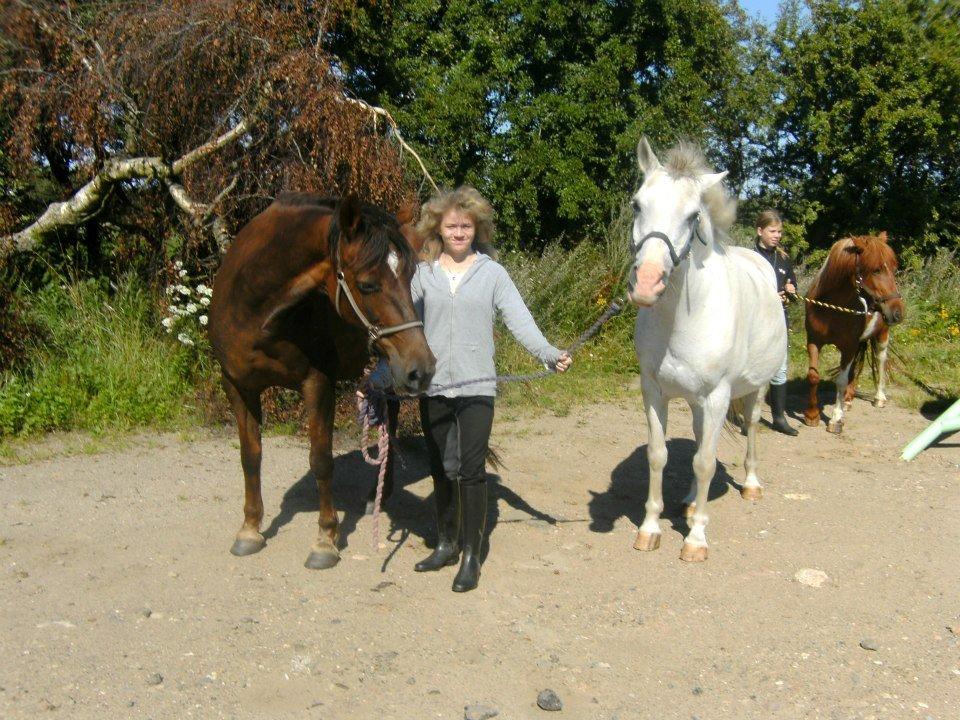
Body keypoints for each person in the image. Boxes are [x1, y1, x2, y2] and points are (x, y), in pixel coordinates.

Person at [410, 186, 572, 592]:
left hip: (477, 386)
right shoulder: (423, 273)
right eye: (452, 226)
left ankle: (470, 554)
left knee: (470, 469)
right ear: (439, 228)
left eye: (466, 226)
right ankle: (446, 541)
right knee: (440, 469)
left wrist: (548, 354)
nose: (459, 232)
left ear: (476, 228)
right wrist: (376, 376)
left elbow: (520, 320)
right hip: (434, 387)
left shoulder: (492, 273)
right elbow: (403, 328)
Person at [753, 209, 799, 436]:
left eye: (779, 231)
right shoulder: (749, 256)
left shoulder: (783, 258)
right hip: (753, 323)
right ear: (760, 231)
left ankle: (779, 418)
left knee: (780, 368)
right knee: (750, 370)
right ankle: (746, 417)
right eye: (772, 231)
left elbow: (794, 287)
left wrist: (791, 291)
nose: (777, 235)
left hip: (779, 322)